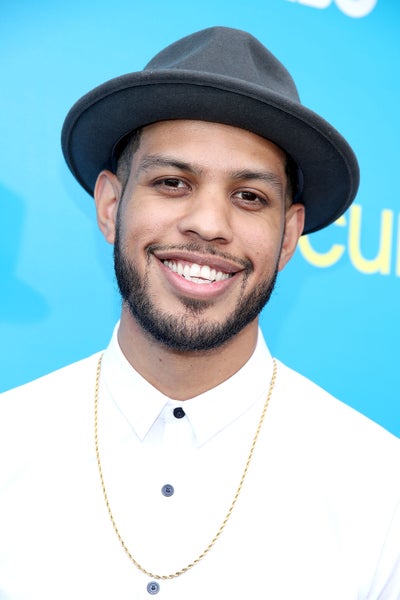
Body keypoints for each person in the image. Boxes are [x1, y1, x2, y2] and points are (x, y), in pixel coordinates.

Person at [1, 26, 399, 600]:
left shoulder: (381, 491)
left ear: (289, 236)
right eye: (172, 183)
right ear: (110, 206)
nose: (209, 224)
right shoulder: (9, 442)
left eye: (249, 197)